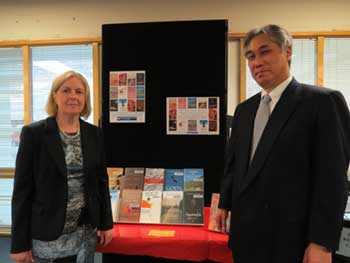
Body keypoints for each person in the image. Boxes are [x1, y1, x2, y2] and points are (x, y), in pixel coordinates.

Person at [216, 24, 350, 263]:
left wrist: (322, 243)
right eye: (251, 56)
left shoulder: (322, 102)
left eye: (265, 51)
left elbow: (332, 180)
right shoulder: (244, 110)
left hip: (291, 241)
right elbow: (234, 165)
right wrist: (224, 203)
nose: (257, 62)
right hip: (245, 238)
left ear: (287, 51)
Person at [10, 71, 114, 263]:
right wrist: (19, 244)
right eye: (66, 90)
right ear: (54, 96)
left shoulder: (94, 134)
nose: (73, 96)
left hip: (84, 233)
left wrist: (106, 223)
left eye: (79, 91)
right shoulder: (34, 134)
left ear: (85, 98)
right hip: (48, 235)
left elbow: (101, 182)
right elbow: (21, 193)